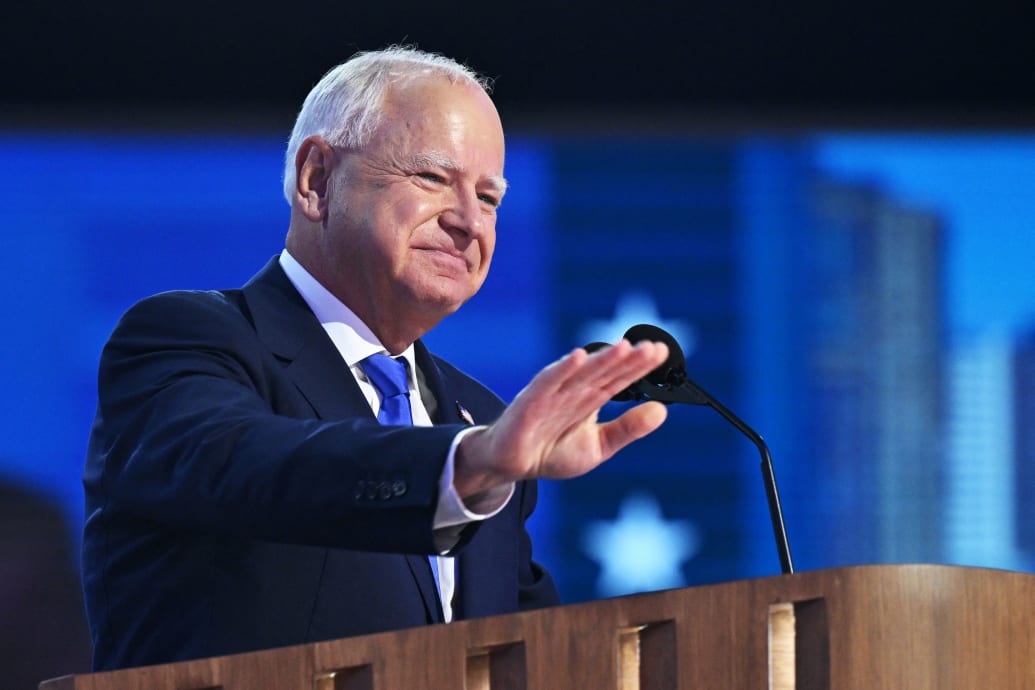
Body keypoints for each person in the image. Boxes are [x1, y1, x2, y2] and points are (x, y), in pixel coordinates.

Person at [82, 46, 669, 671]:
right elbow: (250, 464)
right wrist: (464, 465)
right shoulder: (189, 338)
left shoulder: (480, 418)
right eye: (432, 178)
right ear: (317, 180)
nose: (471, 222)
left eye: (490, 197)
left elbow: (525, 656)